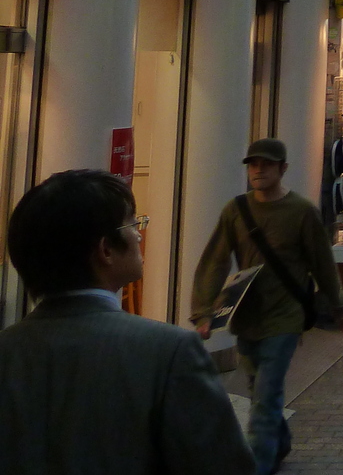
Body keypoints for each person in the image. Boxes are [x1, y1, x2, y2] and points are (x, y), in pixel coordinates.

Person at [2, 169, 255, 474]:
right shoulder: (170, 351)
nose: (138, 234)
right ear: (106, 249)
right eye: (133, 223)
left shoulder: (8, 350)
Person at [191, 138, 343, 475]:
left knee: (264, 396)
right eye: (253, 164)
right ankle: (280, 442)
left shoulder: (302, 211)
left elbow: (322, 262)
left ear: (283, 168)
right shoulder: (236, 210)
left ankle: (257, 465)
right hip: (246, 316)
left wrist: (338, 305)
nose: (258, 170)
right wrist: (204, 312)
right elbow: (215, 261)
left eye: (266, 164)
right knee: (257, 390)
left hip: (285, 318)